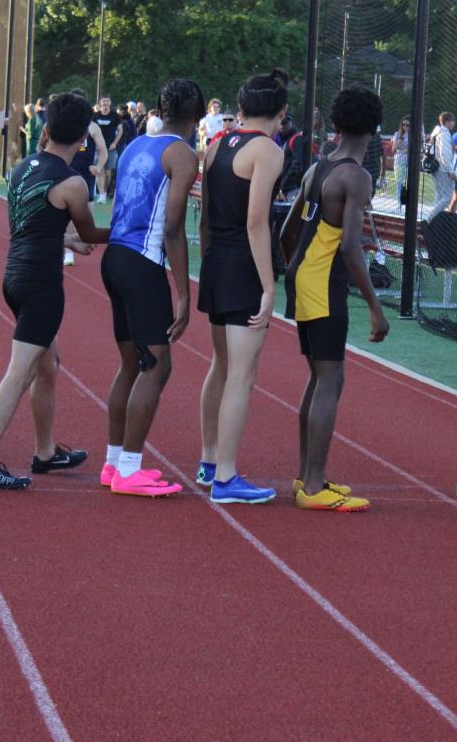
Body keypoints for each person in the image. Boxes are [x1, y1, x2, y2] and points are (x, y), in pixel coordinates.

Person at [0, 91, 109, 489]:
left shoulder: (20, 168)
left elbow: (31, 227)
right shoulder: (72, 183)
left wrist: (66, 240)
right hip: (42, 284)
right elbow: (91, 232)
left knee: (48, 364)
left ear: (45, 129)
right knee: (21, 372)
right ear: (83, 138)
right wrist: (132, 231)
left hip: (15, 275)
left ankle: (45, 453)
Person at [281, 85, 390, 511]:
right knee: (330, 379)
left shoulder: (318, 168)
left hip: (304, 275)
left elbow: (286, 229)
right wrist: (376, 308)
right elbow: (349, 246)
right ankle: (313, 487)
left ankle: (307, 476)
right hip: (324, 281)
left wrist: (295, 270)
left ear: (336, 123)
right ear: (375, 129)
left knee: (320, 377)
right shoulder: (357, 177)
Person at [100, 77, 204, 497]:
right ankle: (129, 469)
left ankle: (113, 463)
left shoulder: (135, 145)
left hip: (115, 256)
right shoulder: (183, 154)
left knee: (131, 364)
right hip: (142, 262)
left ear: (160, 109)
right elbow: (174, 227)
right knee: (157, 366)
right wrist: (184, 293)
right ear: (198, 116)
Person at [196, 70, 287, 503]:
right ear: (281, 113)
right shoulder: (267, 150)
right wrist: (268, 286)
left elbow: (205, 214)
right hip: (242, 266)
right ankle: (226, 477)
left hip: (216, 261)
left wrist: (207, 261)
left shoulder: (216, 144)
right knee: (241, 374)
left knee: (220, 365)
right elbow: (256, 223)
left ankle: (210, 460)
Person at [64, 111, 107, 265]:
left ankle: (80, 238)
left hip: (87, 174)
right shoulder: (66, 124)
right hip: (68, 172)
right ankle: (68, 252)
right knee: (69, 212)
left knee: (87, 215)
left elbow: (103, 150)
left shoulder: (93, 127)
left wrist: (99, 167)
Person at [426, 112, 456, 220]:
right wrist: (450, 170)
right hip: (443, 169)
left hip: (435, 167)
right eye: (452, 121)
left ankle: (434, 221)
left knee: (438, 196)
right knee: (448, 198)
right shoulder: (444, 134)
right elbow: (445, 154)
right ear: (447, 122)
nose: (454, 123)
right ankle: (429, 219)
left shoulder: (436, 132)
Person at [93, 96, 122, 203]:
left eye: (107, 101)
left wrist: (114, 143)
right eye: (103, 101)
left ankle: (104, 192)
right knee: (99, 170)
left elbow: (120, 131)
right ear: (100, 103)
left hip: (110, 148)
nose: (105, 102)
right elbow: (90, 129)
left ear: (110, 103)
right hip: (98, 148)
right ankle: (101, 194)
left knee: (108, 172)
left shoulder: (115, 116)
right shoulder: (95, 115)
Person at [392, 118, 410, 206]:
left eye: (407, 125)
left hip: (409, 162)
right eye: (403, 124)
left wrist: (403, 151)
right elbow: (393, 150)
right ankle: (399, 203)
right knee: (399, 182)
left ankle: (408, 203)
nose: (405, 127)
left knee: (409, 183)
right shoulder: (397, 134)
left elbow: (410, 150)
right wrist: (399, 143)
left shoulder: (412, 135)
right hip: (399, 161)